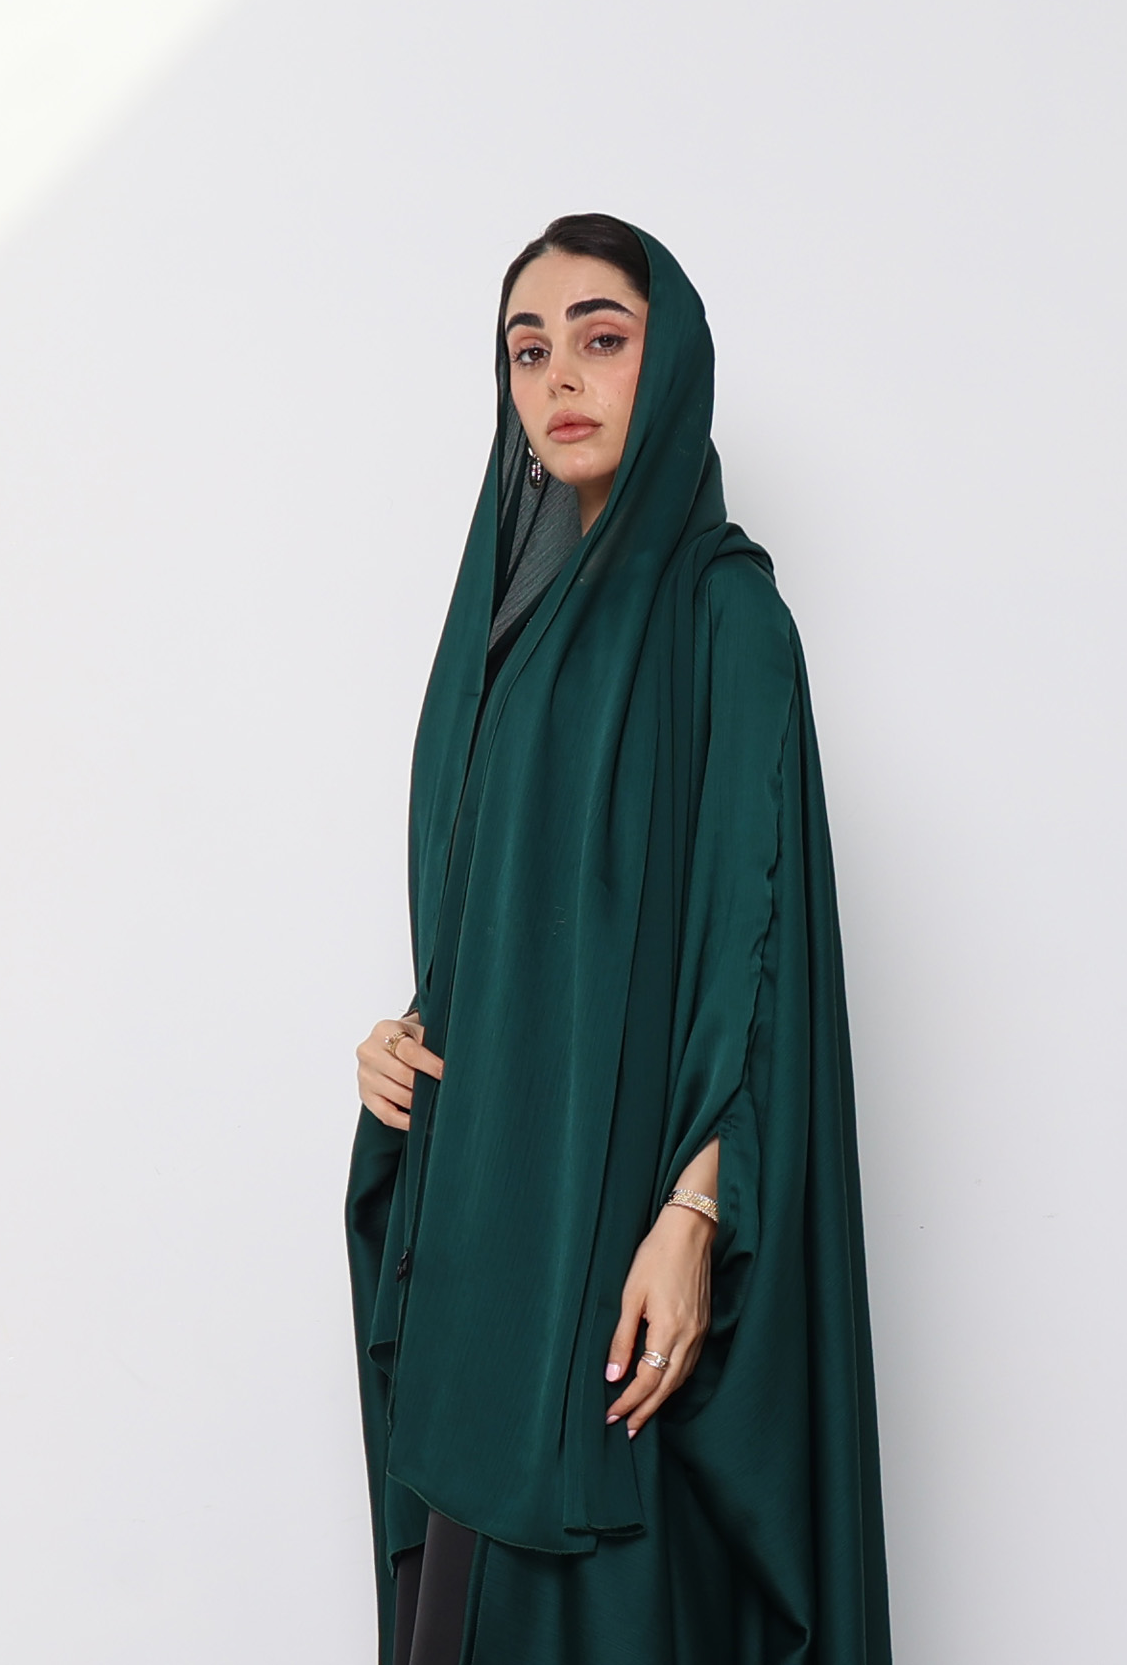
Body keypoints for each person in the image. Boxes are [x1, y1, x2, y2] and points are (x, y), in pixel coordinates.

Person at [348, 214, 890, 1665]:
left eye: (602, 338)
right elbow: (505, 930)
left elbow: (750, 945)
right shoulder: (507, 629)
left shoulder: (726, 617)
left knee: (624, 1605)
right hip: (490, 1231)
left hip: (625, 1236)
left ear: (673, 363)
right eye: (528, 351)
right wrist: (405, 1038)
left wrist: (695, 1216)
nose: (560, 379)